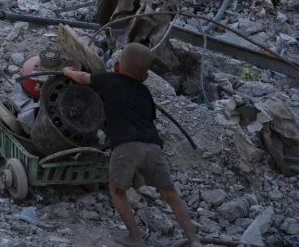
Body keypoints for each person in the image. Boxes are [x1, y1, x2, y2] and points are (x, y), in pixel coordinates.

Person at [61, 44, 201, 247]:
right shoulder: (145, 91)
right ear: (145, 78)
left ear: (117, 66)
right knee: (169, 193)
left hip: (126, 145)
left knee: (117, 190)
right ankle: (194, 239)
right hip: (153, 145)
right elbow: (148, 117)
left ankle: (135, 238)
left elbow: (83, 79)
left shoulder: (109, 79)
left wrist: (67, 71)